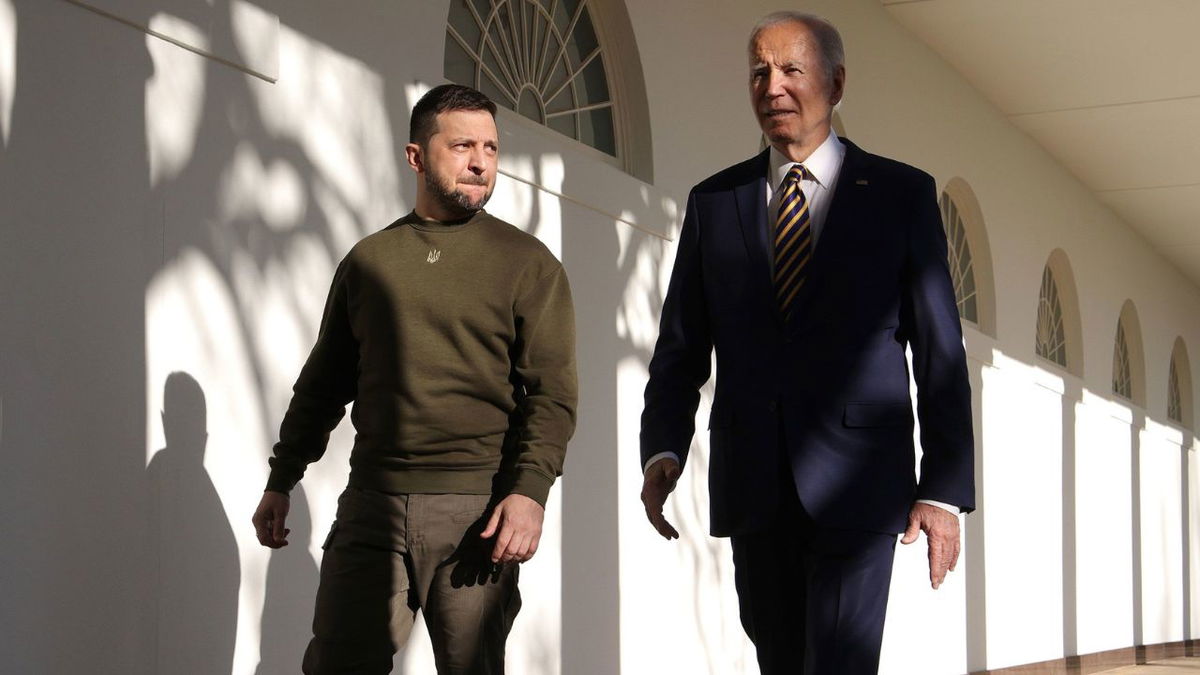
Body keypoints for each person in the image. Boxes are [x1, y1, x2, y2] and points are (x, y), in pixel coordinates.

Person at [639, 12, 974, 675]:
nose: (774, 86)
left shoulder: (901, 196)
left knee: (842, 664)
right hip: (754, 483)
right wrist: (663, 445)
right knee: (781, 661)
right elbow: (681, 343)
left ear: (836, 82)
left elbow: (941, 351)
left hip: (860, 483)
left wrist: (941, 488)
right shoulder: (715, 202)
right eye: (760, 71)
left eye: (793, 69)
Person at [251, 84, 578, 675]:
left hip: (477, 512)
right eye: (461, 146)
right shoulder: (370, 261)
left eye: (491, 148)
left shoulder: (528, 264)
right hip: (371, 504)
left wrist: (529, 491)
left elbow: (552, 395)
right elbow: (324, 382)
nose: (481, 161)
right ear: (416, 156)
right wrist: (283, 476)